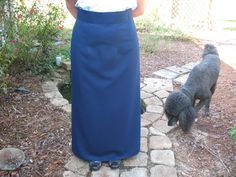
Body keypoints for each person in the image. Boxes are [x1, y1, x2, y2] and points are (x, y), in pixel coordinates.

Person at [65, 0, 145, 171]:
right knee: (87, 93)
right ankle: (90, 149)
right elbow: (70, 4)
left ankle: (119, 148)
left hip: (122, 36)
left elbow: (140, 8)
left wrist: (115, 21)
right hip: (87, 35)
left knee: (123, 93)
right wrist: (92, 21)